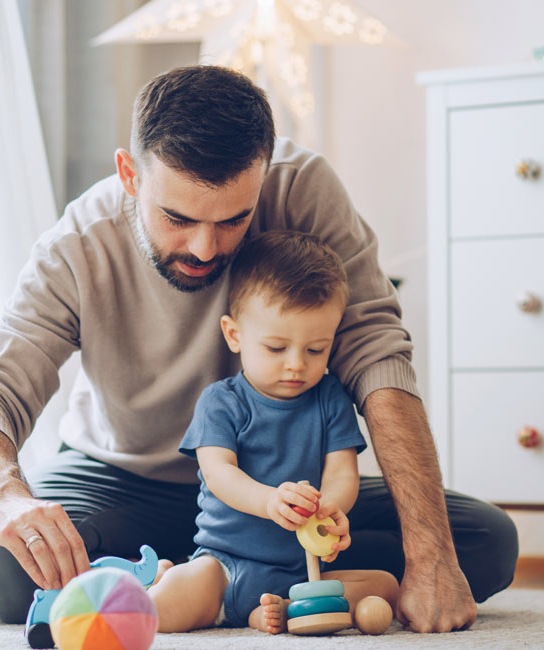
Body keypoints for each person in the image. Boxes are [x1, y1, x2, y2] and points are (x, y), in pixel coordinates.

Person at [0, 65, 517, 634]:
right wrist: (4, 498)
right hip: (124, 480)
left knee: (481, 543)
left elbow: (376, 351)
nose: (204, 248)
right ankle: (212, 579)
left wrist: (428, 551)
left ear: (263, 177)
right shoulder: (77, 246)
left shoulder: (304, 189)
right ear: (130, 175)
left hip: (281, 495)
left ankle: (205, 583)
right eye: (178, 218)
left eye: (234, 219)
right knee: (0, 567)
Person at [148, 231, 399, 634]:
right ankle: (166, 581)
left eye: (316, 350)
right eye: (276, 348)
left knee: (386, 585)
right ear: (235, 335)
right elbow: (219, 474)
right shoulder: (221, 401)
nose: (296, 365)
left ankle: (275, 610)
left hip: (304, 572)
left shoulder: (330, 397)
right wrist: (271, 501)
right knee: (163, 611)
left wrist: (330, 508)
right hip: (225, 565)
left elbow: (341, 473)